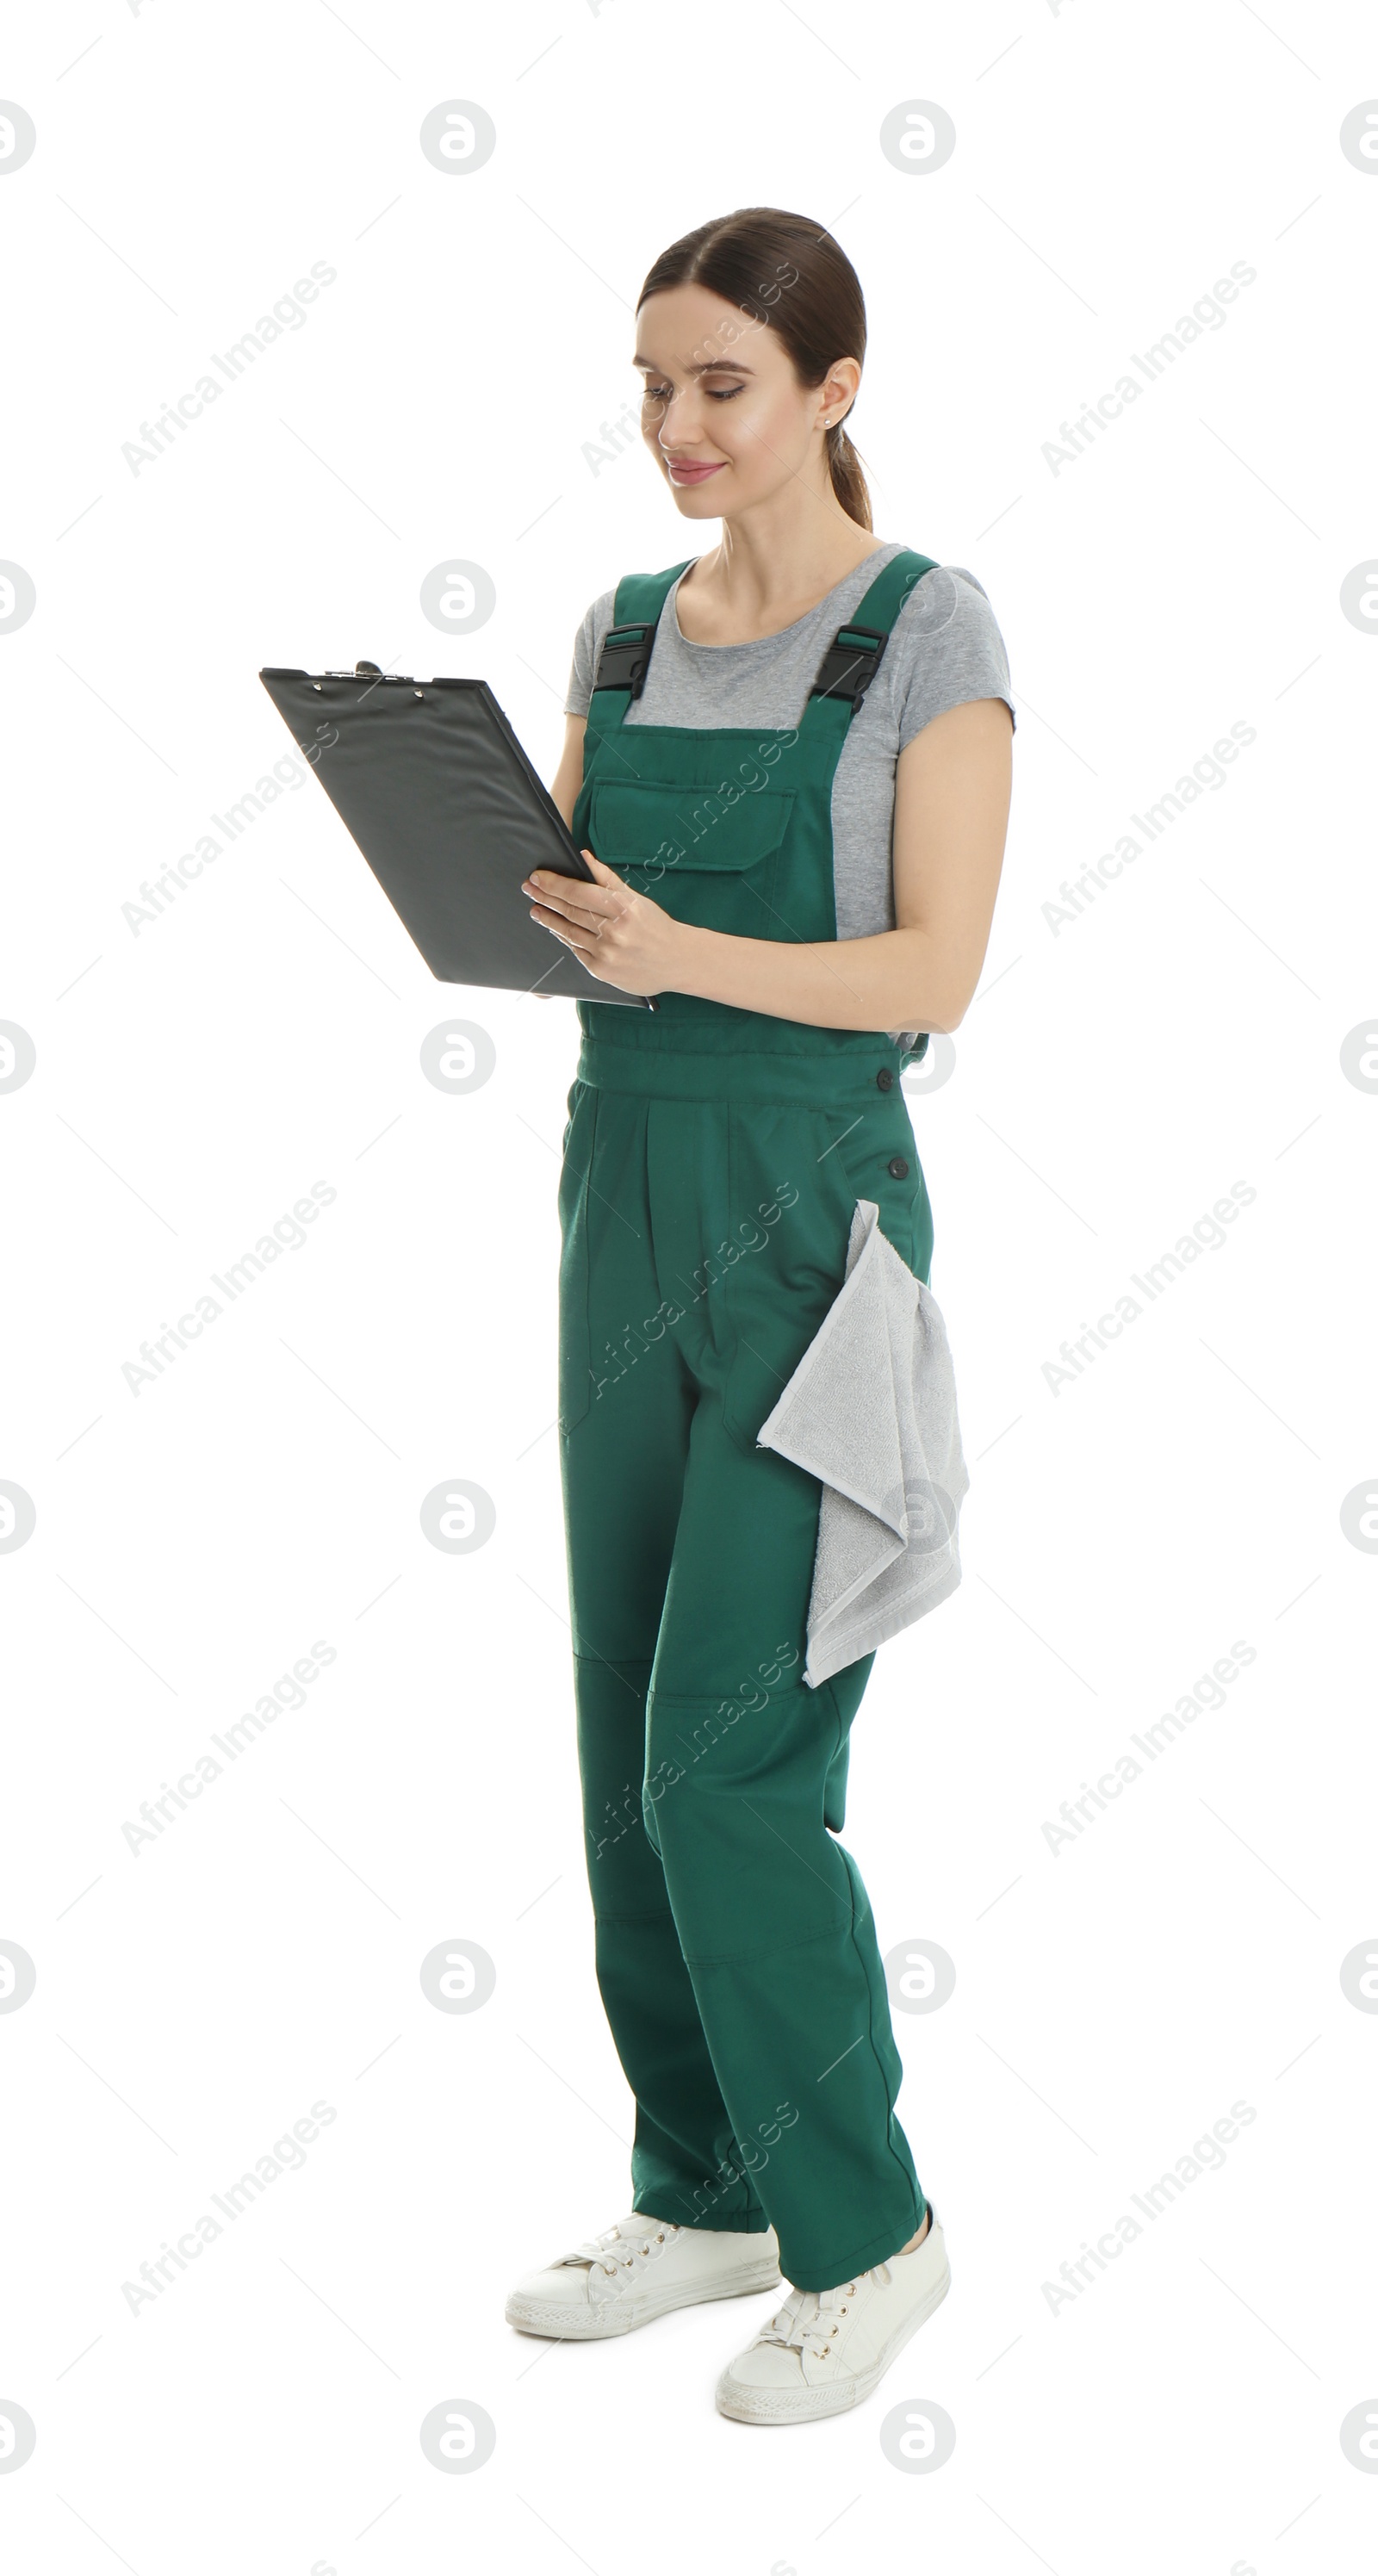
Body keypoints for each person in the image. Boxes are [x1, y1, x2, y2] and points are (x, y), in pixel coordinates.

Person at [506, 207, 1014, 2425]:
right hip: (619, 1195)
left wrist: (673, 952)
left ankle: (866, 2226)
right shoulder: (619, 628)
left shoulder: (928, 626)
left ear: (833, 388)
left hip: (814, 1229)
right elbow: (582, 940)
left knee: (731, 1757)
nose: (678, 427)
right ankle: (701, 2185)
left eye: (723, 383)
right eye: (652, 384)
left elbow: (932, 975)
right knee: (624, 1741)